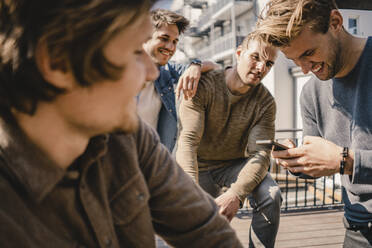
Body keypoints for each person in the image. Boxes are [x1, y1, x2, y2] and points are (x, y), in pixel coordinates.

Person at [0, 1, 243, 247]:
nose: (152, 73)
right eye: (136, 50)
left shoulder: (133, 140)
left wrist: (196, 65)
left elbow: (209, 234)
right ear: (56, 61)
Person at [256, 0, 372, 246]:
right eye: (294, 60)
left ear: (335, 22)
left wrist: (347, 161)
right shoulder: (310, 93)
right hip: (357, 227)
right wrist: (296, 160)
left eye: (308, 53)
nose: (306, 69)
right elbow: (319, 167)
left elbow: (339, 161)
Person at [175, 32, 282, 248]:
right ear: (239, 53)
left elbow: (260, 154)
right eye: (256, 57)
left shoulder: (265, 102)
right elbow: (188, 142)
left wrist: (236, 194)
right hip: (197, 165)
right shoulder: (203, 85)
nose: (261, 68)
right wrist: (192, 194)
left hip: (232, 166)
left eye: (269, 63)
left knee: (271, 194)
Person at [138, 9, 219, 152]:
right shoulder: (119, 70)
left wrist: (196, 65)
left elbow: (215, 68)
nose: (170, 47)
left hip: (149, 163)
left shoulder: (168, 71)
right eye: (164, 38)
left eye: (175, 41)